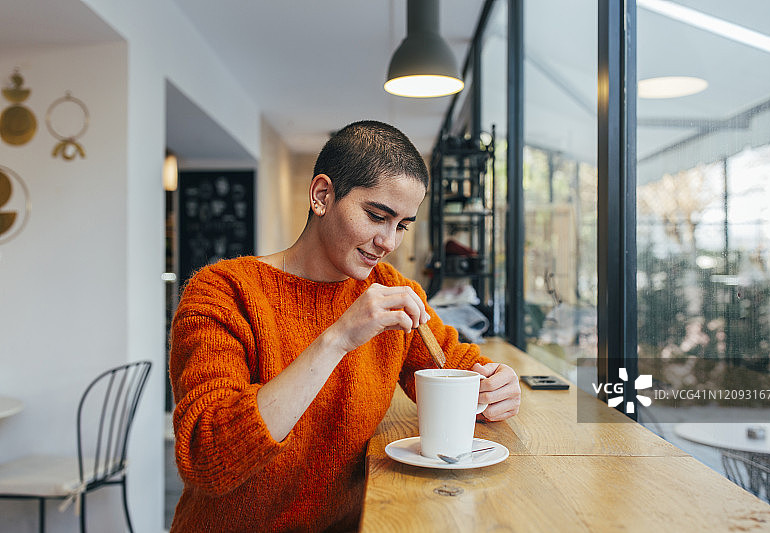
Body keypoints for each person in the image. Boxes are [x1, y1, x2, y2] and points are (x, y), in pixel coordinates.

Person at [169, 120, 521, 532]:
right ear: (322, 196)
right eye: (377, 216)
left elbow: (456, 367)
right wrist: (337, 338)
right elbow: (208, 457)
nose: (389, 242)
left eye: (402, 225)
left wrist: (497, 384)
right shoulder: (223, 292)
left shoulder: (391, 290)